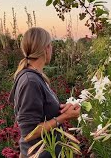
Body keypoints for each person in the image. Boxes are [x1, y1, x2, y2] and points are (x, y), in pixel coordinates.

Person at [8, 27, 81, 158]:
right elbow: (29, 132)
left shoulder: (35, 76)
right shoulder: (30, 81)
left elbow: (42, 112)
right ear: (46, 48)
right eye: (51, 45)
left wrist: (63, 109)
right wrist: (64, 118)